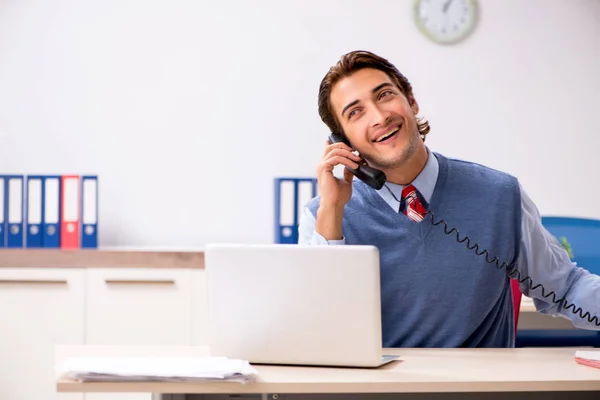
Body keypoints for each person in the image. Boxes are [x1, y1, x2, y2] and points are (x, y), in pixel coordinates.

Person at [298, 50, 600, 348]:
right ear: (342, 142)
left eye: (385, 95)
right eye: (355, 112)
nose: (379, 116)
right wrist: (333, 210)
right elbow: (314, 325)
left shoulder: (500, 195)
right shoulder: (324, 214)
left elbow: (565, 287)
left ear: (411, 101)